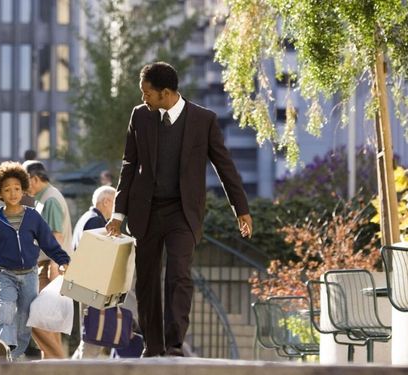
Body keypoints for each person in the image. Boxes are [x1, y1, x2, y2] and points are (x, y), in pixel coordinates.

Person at [105, 62, 253, 357]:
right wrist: (118, 214)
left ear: (167, 93)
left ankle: (173, 344)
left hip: (183, 213)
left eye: (147, 92)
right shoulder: (140, 116)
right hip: (145, 212)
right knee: (146, 279)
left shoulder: (203, 120)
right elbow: (129, 166)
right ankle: (153, 345)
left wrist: (241, 208)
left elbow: (224, 166)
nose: (143, 98)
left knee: (179, 274)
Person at [0, 161, 70, 361]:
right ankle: (4, 344)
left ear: (23, 190)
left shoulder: (32, 217)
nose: (13, 193)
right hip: (6, 275)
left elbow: (48, 242)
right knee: (5, 307)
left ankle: (13, 354)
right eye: (7, 189)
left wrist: (62, 260)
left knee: (24, 317)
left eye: (17, 189)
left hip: (30, 274)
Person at [22, 160, 73, 359]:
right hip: (51, 266)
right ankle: (54, 367)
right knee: (50, 323)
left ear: (34, 179)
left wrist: (54, 269)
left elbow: (56, 237)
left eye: (24, 183)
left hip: (51, 267)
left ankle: (60, 363)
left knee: (34, 318)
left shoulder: (50, 199)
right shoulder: (44, 198)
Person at [71, 185, 116, 359]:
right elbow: (96, 255)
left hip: (84, 283)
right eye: (115, 203)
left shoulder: (86, 218)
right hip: (92, 286)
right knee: (94, 336)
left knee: (90, 335)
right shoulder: (96, 221)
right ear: (106, 202)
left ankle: (73, 368)